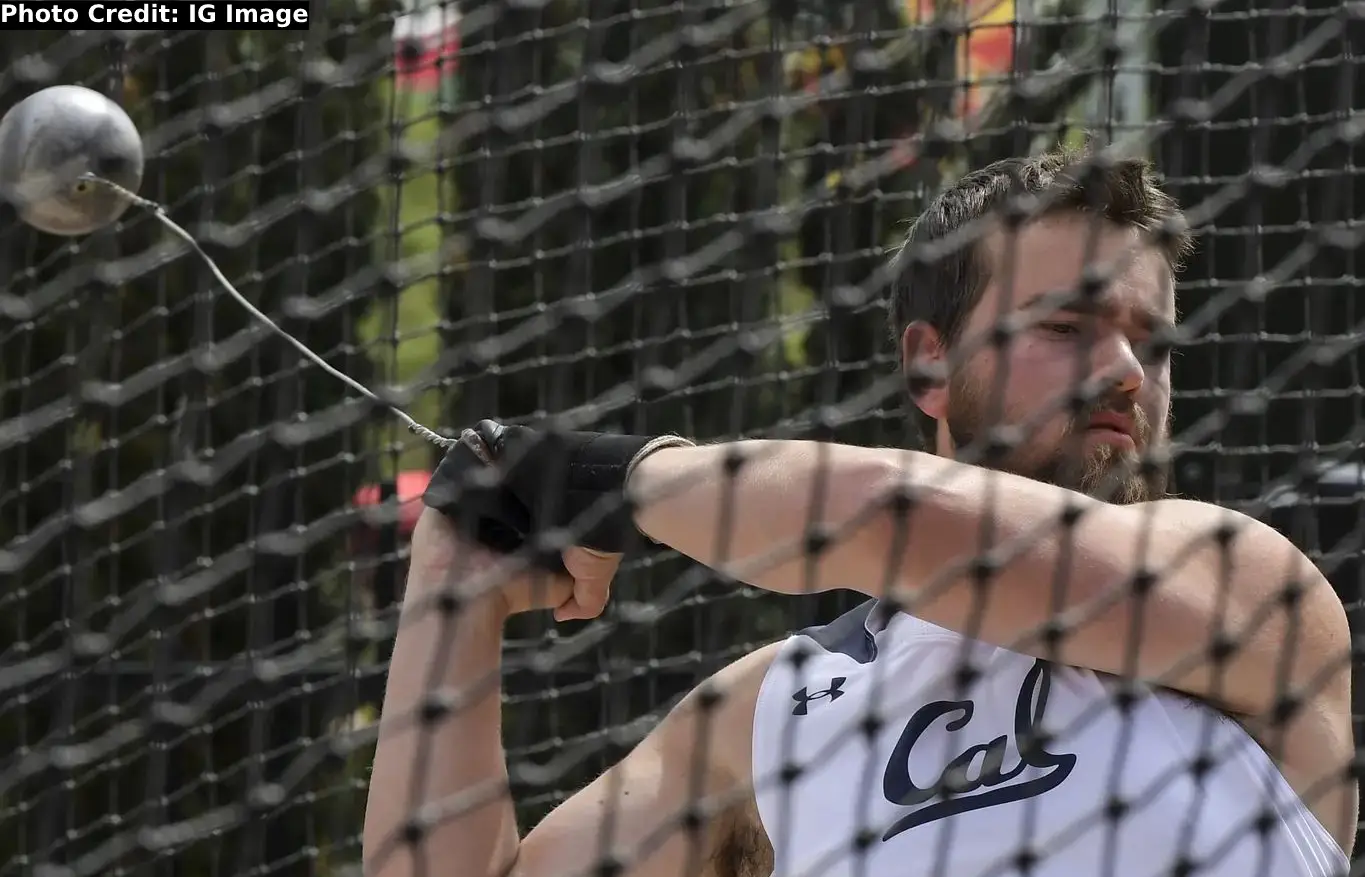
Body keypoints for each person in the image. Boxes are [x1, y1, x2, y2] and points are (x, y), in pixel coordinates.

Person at [363, 148, 1356, 877]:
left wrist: (615, 482)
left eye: (1153, 340)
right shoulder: (767, 709)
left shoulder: (1246, 583)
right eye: (1066, 325)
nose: (1126, 372)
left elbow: (888, 513)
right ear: (929, 360)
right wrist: (456, 585)